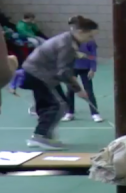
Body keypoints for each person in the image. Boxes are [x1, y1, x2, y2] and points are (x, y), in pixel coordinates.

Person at [20, 15, 97, 150]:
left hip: (40, 73)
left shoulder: (68, 38)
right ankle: (40, 136)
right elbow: (64, 72)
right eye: (90, 36)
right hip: (39, 74)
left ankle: (43, 135)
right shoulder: (67, 44)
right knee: (59, 105)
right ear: (80, 32)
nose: (90, 39)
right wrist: (78, 89)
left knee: (53, 104)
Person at [64, 27, 102, 123]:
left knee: (89, 91)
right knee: (70, 91)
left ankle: (95, 113)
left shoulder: (90, 42)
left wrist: (92, 69)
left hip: (86, 69)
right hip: (72, 68)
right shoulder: (68, 41)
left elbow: (93, 55)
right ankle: (69, 112)